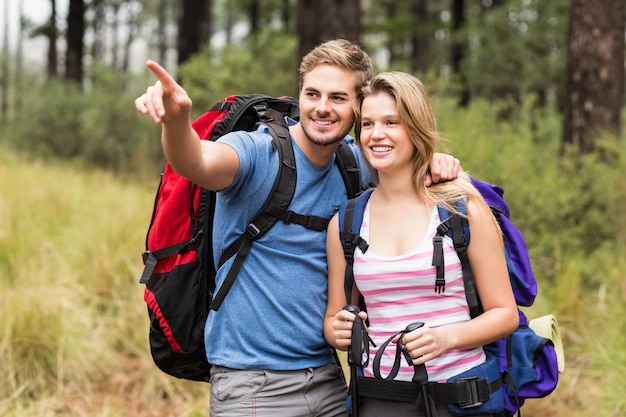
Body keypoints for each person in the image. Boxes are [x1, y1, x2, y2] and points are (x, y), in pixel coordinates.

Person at [135, 40, 460, 417]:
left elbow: (401, 157)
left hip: (328, 378)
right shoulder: (258, 152)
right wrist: (176, 124)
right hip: (252, 385)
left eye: (338, 97)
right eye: (313, 94)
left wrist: (434, 159)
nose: (322, 107)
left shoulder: (355, 162)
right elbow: (198, 161)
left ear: (358, 106)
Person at [324, 71, 519, 417]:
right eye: (367, 124)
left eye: (391, 122)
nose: (376, 134)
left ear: (415, 127)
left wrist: (445, 338)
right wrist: (338, 330)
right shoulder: (347, 222)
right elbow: (334, 318)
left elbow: (505, 315)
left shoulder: (462, 209)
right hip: (379, 399)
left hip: (460, 398)